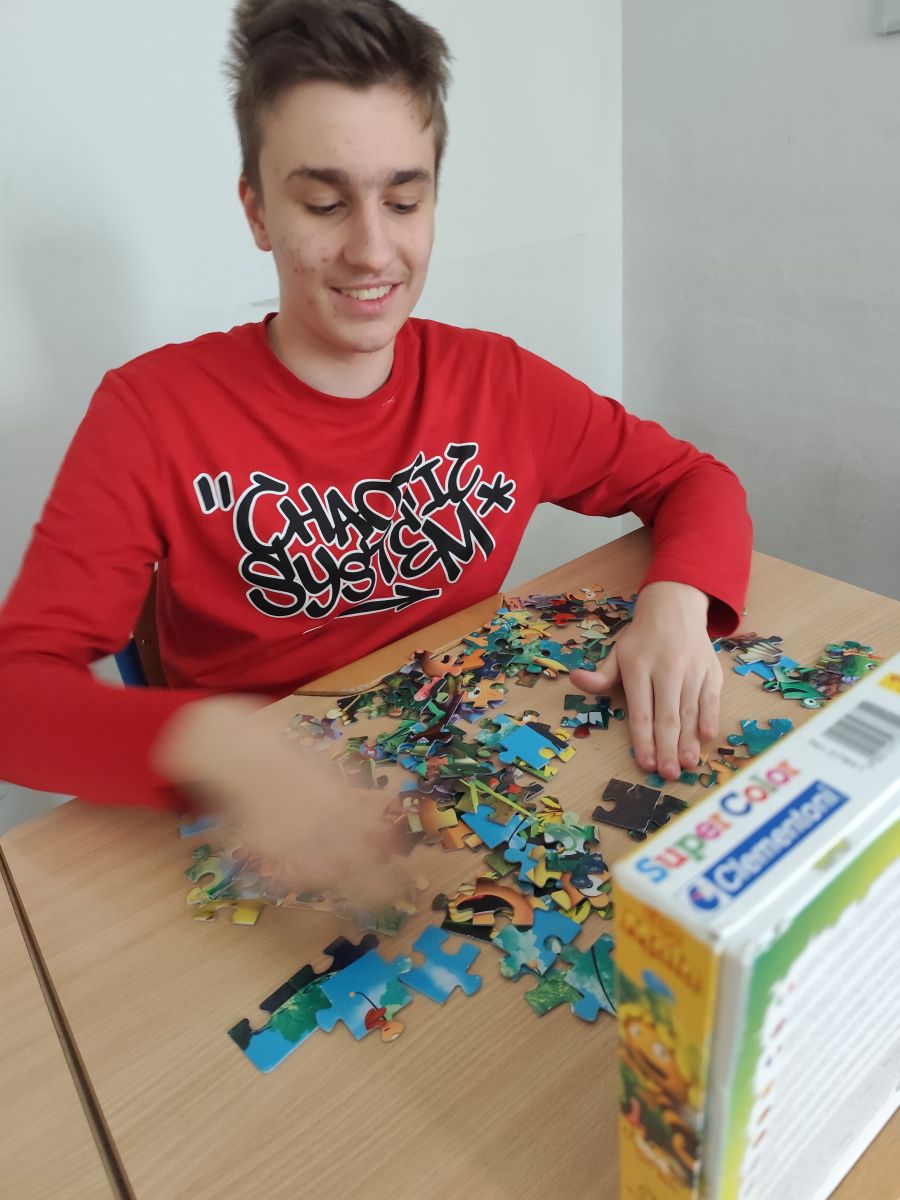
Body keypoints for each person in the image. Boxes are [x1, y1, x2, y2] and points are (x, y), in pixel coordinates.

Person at [0, 0, 751, 886]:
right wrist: (208, 744)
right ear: (257, 211)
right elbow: (16, 697)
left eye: (403, 200)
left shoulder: (499, 384)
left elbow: (694, 479)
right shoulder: (150, 411)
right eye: (324, 202)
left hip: (472, 790)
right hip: (267, 840)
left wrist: (675, 605)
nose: (371, 248)